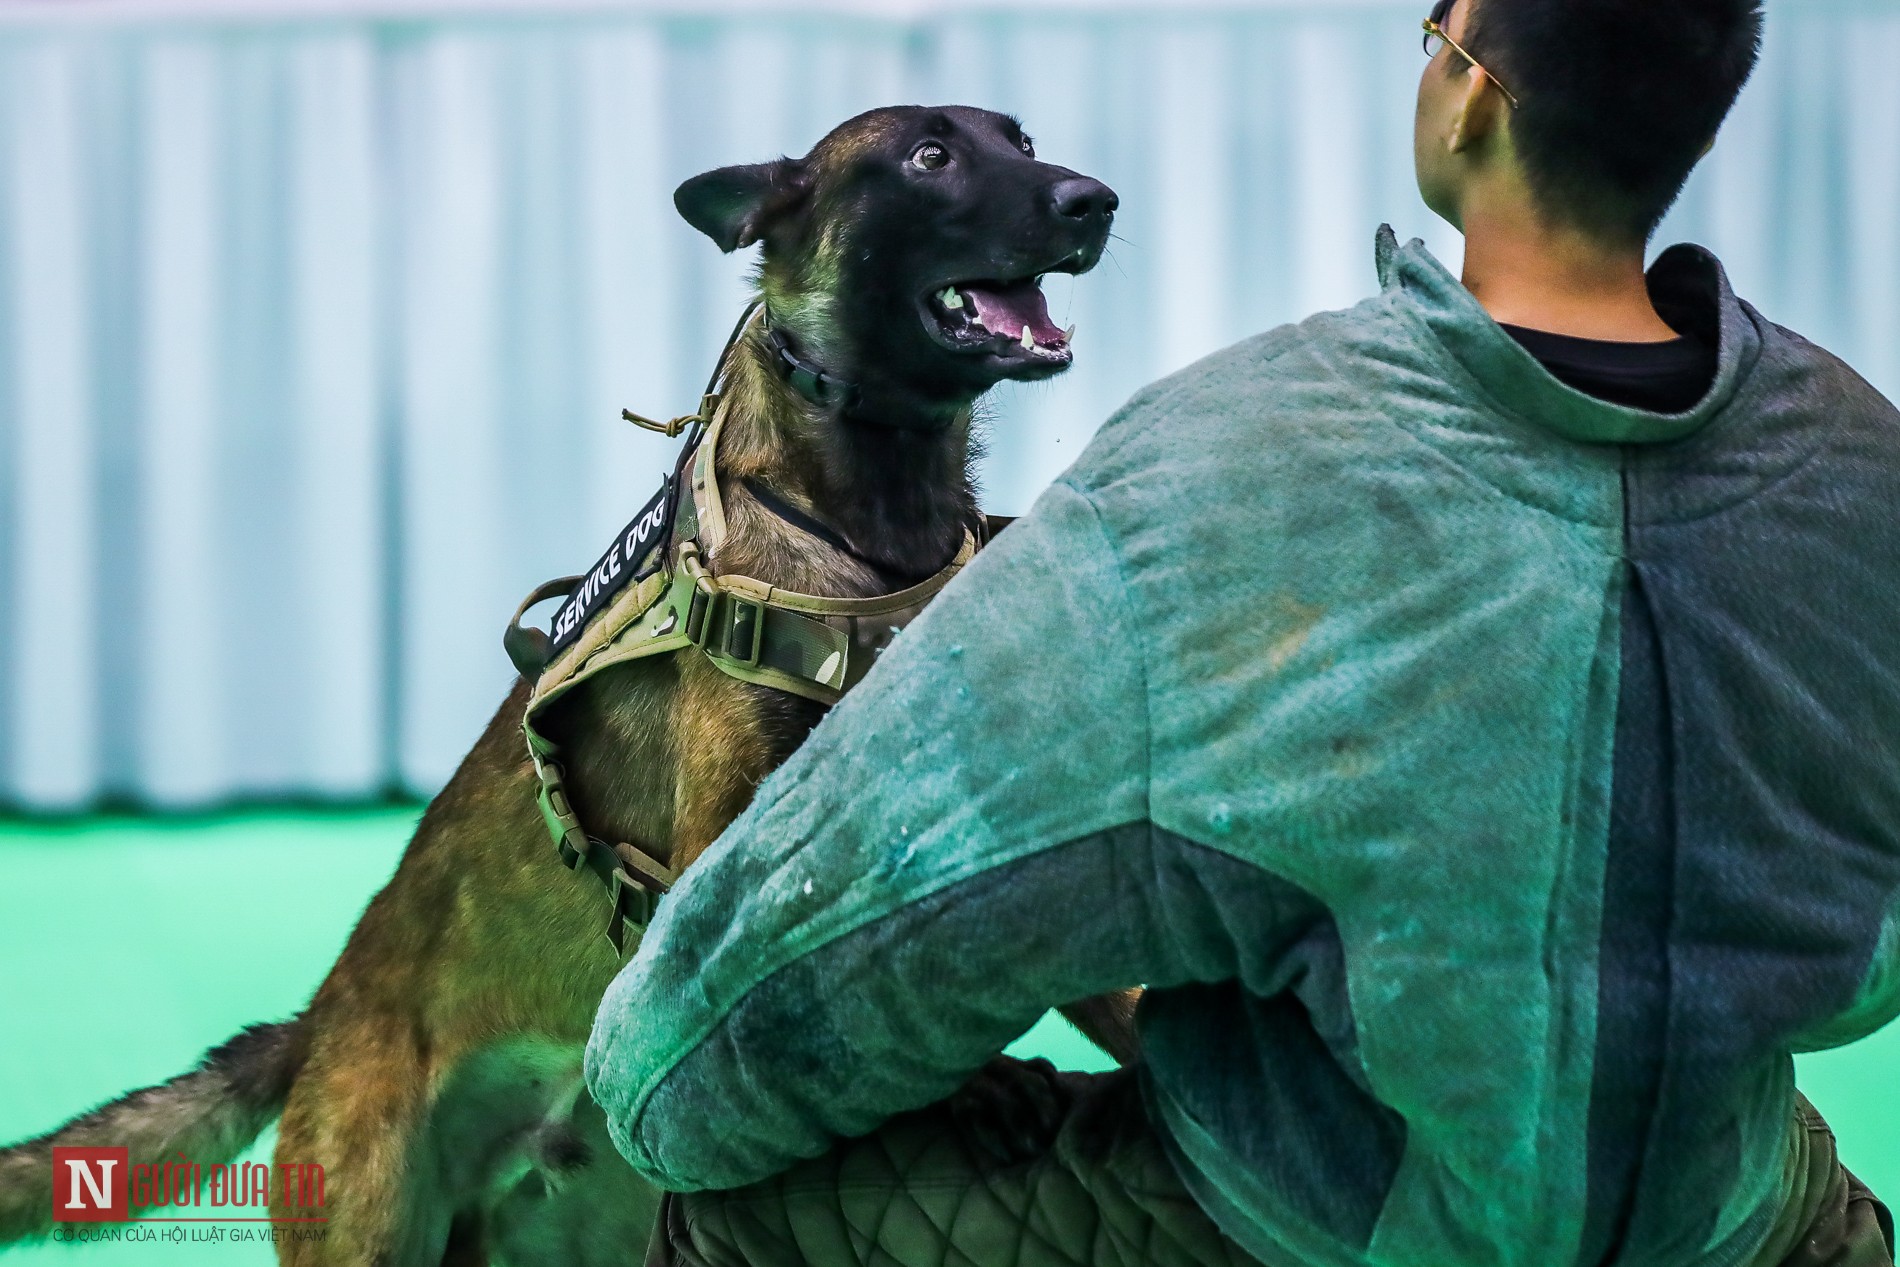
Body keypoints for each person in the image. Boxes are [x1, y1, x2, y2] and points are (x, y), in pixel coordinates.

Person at [583, 1, 1900, 1264]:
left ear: (1467, 96)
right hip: (1722, 1209)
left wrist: (658, 1090)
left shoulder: (1225, 457)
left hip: (1301, 1212)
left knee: (734, 1200)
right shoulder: (1859, 460)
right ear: (1696, 117)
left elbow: (847, 949)